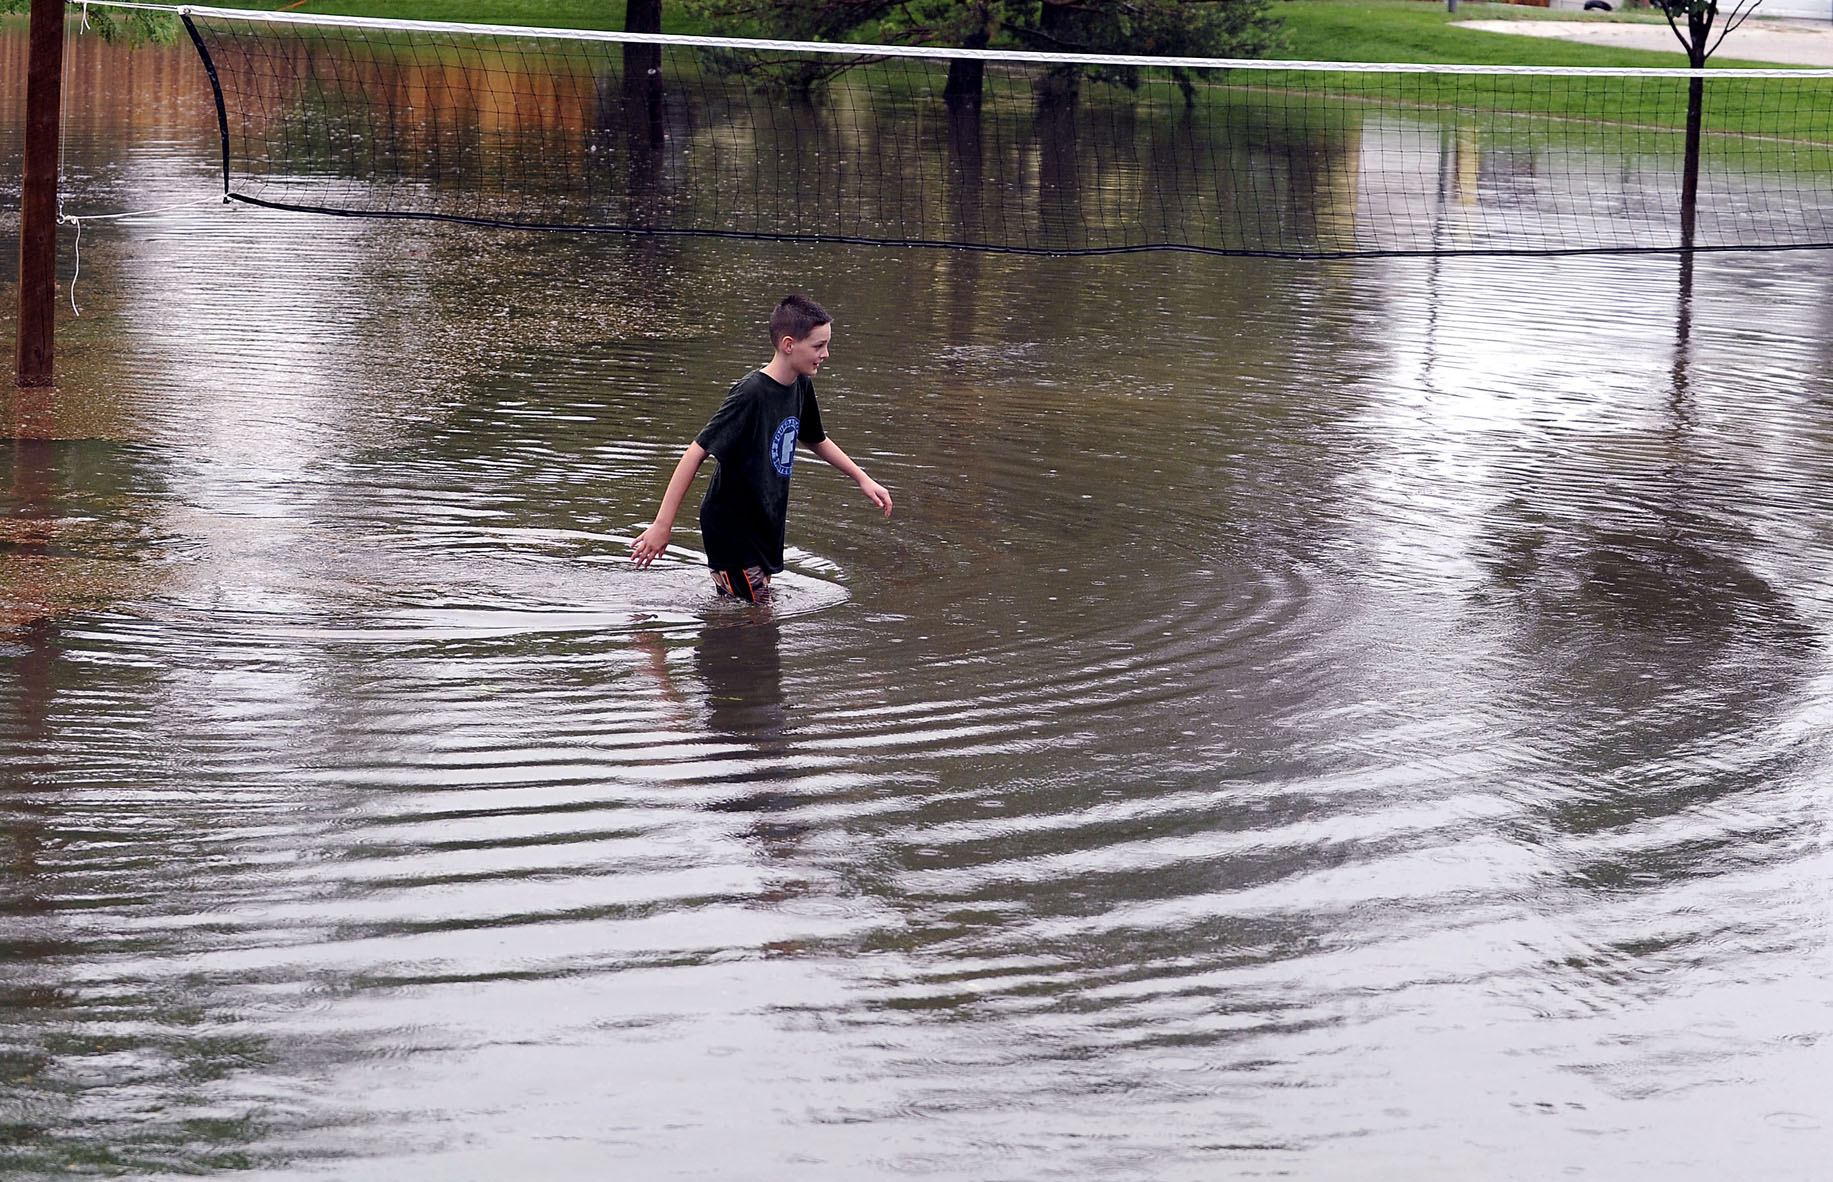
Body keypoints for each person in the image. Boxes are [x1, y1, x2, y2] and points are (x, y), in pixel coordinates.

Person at [630, 294, 892, 602]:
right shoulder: (750, 394)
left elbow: (814, 438)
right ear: (789, 344)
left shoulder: (800, 385)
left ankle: (707, 639)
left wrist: (862, 478)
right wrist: (662, 526)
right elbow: (696, 452)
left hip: (762, 525)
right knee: (760, 622)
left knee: (746, 611)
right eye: (818, 346)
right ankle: (655, 644)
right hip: (732, 527)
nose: (826, 354)